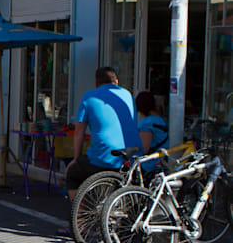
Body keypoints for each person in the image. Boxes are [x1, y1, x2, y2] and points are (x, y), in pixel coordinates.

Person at [65, 67, 141, 201]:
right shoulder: (128, 95)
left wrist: (76, 158)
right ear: (116, 82)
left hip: (104, 156)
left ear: (96, 83)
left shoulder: (90, 96)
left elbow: (79, 132)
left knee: (73, 174)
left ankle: (80, 218)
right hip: (132, 156)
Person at [136, 90, 168, 171]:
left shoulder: (147, 123)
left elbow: (144, 149)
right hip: (162, 161)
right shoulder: (160, 119)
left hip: (151, 165)